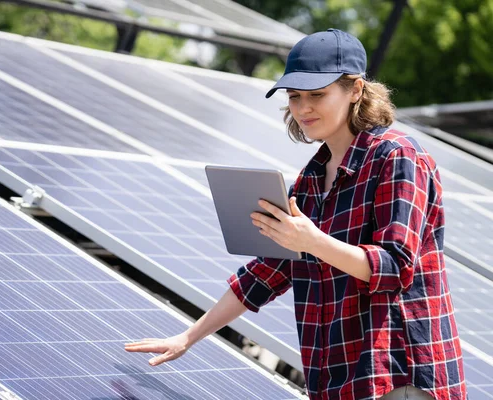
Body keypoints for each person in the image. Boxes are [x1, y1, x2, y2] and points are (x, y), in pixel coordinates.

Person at [125, 28, 466, 400]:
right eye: (294, 96)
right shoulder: (309, 181)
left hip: (397, 376)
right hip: (339, 381)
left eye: (317, 95)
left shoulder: (397, 157)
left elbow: (395, 267)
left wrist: (312, 241)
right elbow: (266, 273)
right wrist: (187, 337)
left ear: (355, 90)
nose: (303, 108)